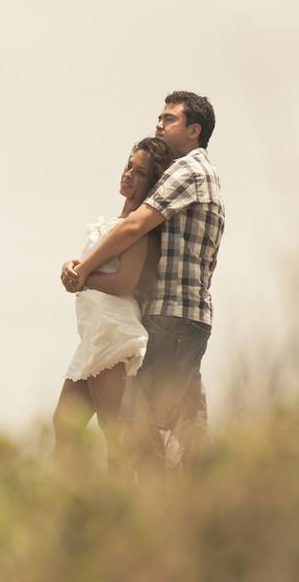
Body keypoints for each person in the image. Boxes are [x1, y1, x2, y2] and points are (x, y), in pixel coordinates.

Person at [63, 91, 224, 476]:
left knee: (138, 427)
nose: (159, 124)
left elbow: (136, 224)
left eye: (169, 119)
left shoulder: (189, 171)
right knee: (185, 426)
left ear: (194, 130)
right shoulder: (206, 177)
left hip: (173, 315)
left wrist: (83, 269)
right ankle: (198, 503)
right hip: (186, 316)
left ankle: (155, 516)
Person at [53, 137, 176, 470]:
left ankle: (120, 508)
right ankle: (66, 499)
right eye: (128, 167)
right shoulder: (112, 224)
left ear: (152, 182)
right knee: (64, 424)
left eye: (139, 173)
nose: (128, 176)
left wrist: (81, 279)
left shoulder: (137, 228)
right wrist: (72, 267)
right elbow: (90, 267)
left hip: (113, 333)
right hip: (93, 337)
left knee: (114, 432)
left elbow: (125, 282)